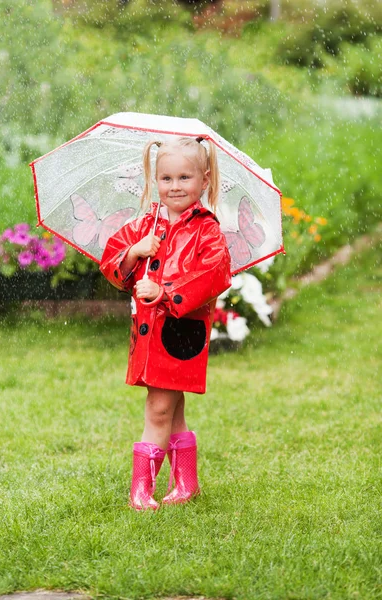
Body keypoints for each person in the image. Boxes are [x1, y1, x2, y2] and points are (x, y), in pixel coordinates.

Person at [100, 136, 231, 510]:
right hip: (148, 336)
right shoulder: (146, 223)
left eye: (185, 178)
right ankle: (187, 485)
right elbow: (112, 261)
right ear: (155, 179)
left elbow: (213, 273)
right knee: (172, 410)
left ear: (204, 180)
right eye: (167, 178)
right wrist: (134, 252)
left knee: (157, 409)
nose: (175, 186)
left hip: (179, 334)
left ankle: (140, 491)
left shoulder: (206, 230)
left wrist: (165, 291)